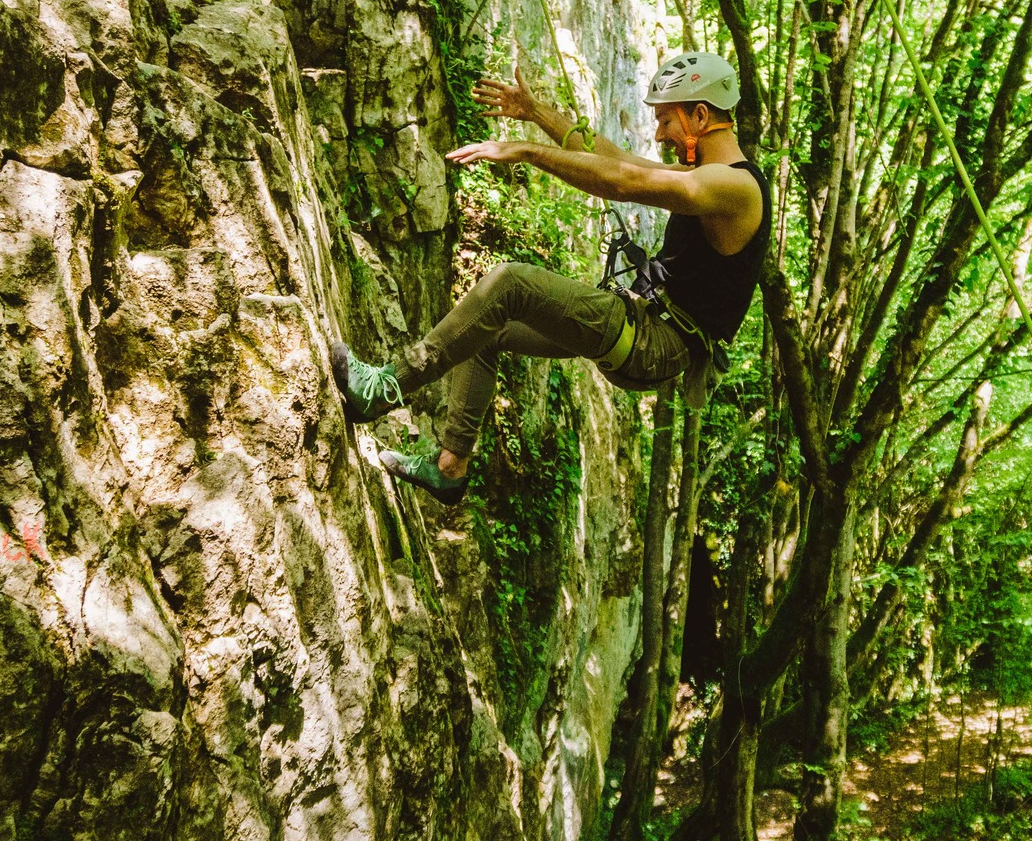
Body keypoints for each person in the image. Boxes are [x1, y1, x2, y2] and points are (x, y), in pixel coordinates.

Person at [329, 51, 770, 504]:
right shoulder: (707, 176)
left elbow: (622, 183)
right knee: (485, 330)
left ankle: (383, 388)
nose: (659, 135)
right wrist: (535, 112)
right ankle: (450, 469)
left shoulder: (737, 188)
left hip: (655, 342)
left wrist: (527, 152)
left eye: (665, 120)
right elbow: (616, 159)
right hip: (645, 328)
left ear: (700, 115)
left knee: (511, 283)